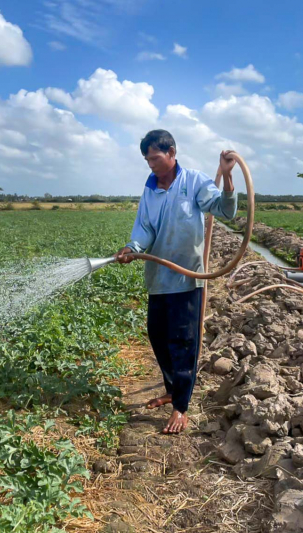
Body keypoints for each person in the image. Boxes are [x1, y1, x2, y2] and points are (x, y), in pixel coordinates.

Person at [113, 130, 239, 434]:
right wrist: (133, 248)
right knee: (158, 336)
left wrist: (227, 177)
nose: (151, 165)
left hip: (187, 279)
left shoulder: (194, 181)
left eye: (155, 158)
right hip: (158, 279)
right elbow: (143, 228)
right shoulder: (150, 190)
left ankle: (181, 407)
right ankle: (172, 389)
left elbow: (225, 211)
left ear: (172, 153)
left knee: (183, 343)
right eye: (147, 160)